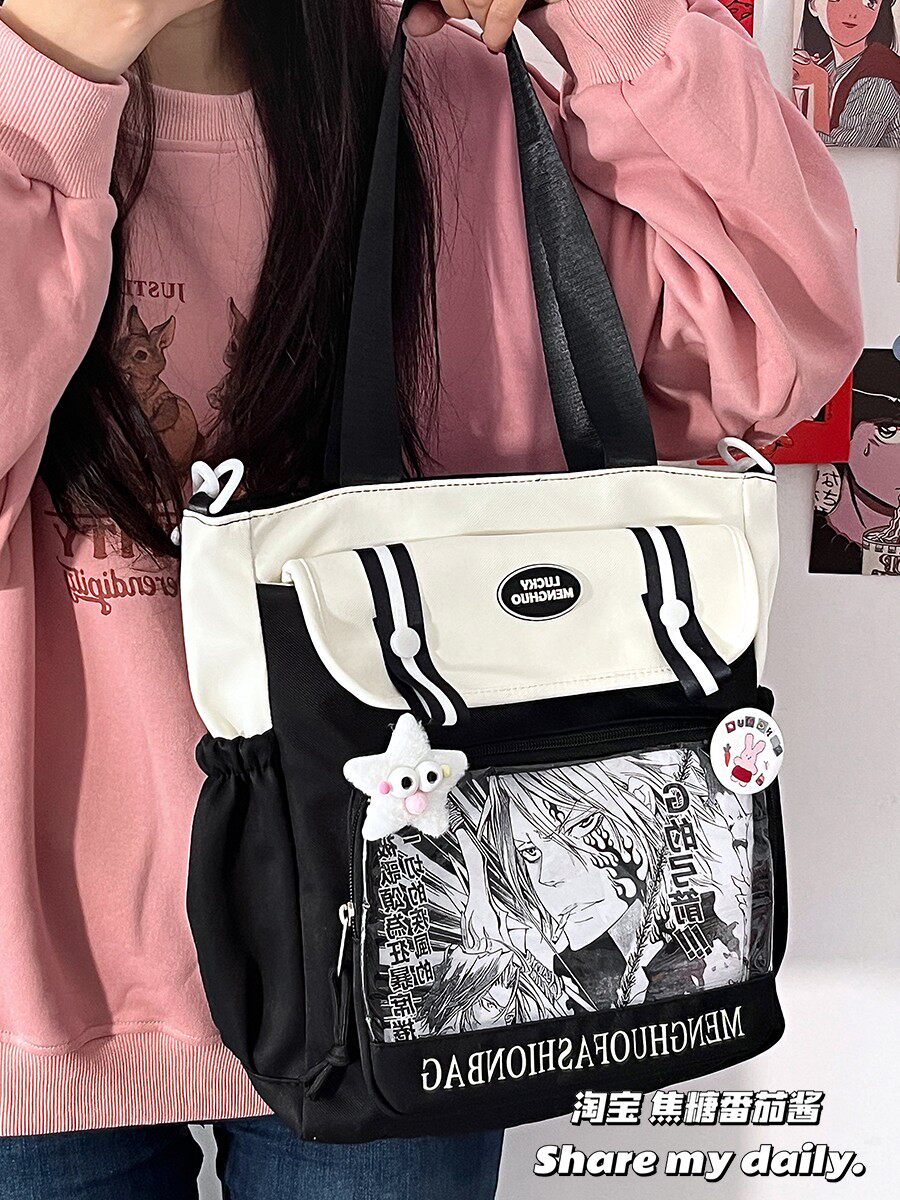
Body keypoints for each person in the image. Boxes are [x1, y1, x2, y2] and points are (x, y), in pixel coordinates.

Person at [0, 0, 861, 1194]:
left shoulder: (447, 84)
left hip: (423, 959)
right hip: (31, 995)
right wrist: (47, 81)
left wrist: (603, 13)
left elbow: (778, 340)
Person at [793, 0, 900, 147]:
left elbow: (840, 153)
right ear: (813, 5)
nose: (852, 13)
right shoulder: (824, 66)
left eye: (869, 2)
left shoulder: (879, 78)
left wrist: (818, 85)